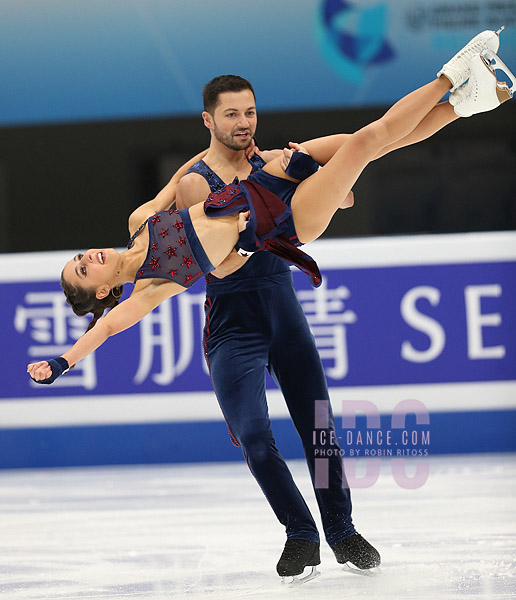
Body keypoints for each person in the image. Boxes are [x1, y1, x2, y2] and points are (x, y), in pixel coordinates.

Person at [27, 30, 511, 582]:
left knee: (364, 143)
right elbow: (113, 326)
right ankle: (302, 536)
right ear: (101, 289)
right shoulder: (154, 283)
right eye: (82, 269)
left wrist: (267, 182)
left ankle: (458, 89)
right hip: (235, 321)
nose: (87, 256)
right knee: (256, 438)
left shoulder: (142, 219)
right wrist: (64, 361)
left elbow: (187, 172)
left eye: (78, 256)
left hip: (277, 273)